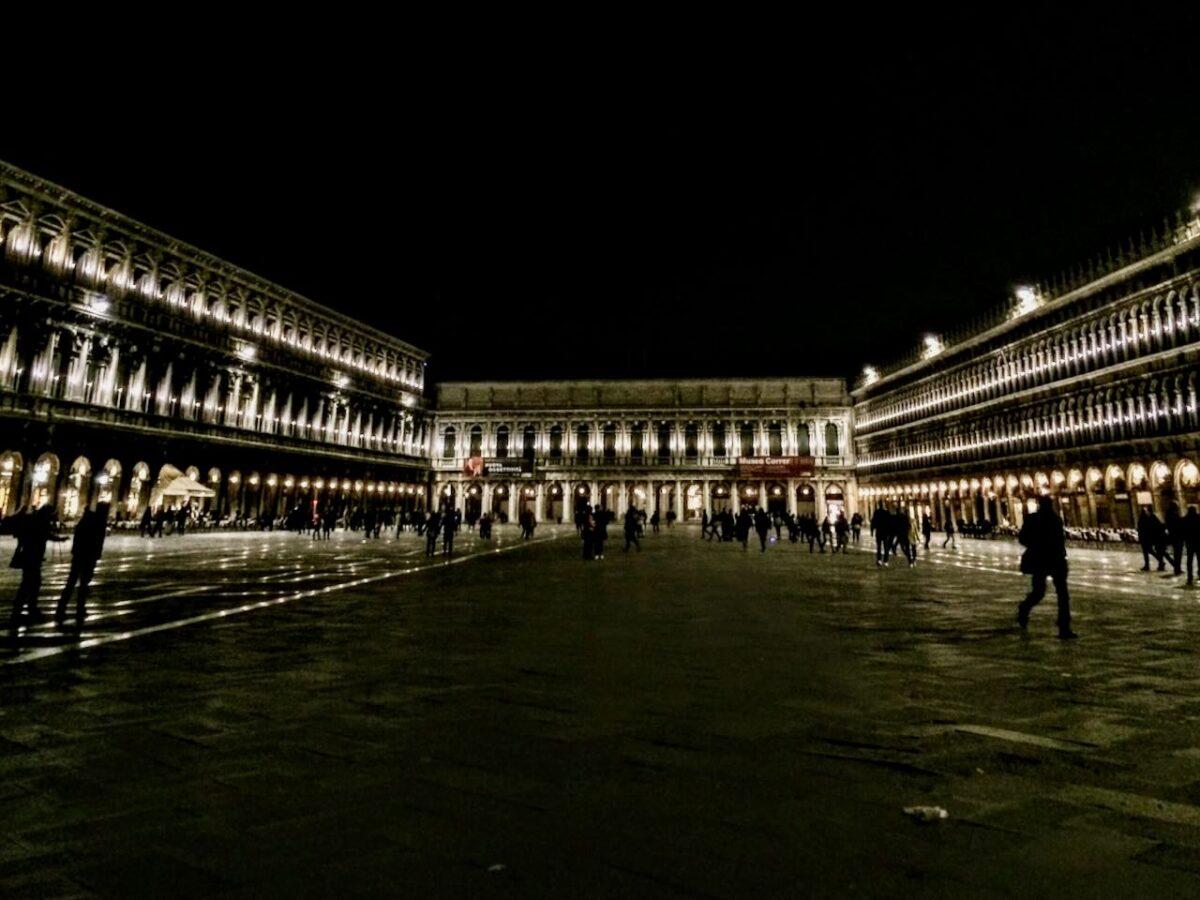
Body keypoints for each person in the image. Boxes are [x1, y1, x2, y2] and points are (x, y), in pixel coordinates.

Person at [1017, 495, 1077, 639]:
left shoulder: (1039, 519)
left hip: (1046, 560)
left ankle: (1063, 625)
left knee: (1043, 592)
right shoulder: (1054, 519)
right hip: (1051, 559)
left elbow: (1022, 538)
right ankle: (1063, 627)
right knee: (1059, 594)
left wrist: (1033, 547)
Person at [8, 505, 65, 625]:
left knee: (30, 583)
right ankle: (23, 610)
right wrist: (59, 539)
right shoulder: (40, 522)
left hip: (30, 556)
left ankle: (25, 609)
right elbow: (45, 535)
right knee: (30, 584)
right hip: (32, 557)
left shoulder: (33, 519)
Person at [56, 502, 110, 624]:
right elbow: (97, 541)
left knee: (73, 582)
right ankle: (78, 608)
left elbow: (78, 537)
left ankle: (63, 607)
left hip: (80, 555)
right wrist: (96, 554)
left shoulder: (87, 520)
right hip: (88, 556)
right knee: (82, 583)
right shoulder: (98, 522)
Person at [1137, 507, 1165, 572]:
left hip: (1146, 538)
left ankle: (1150, 564)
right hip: (1148, 538)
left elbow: (1141, 529)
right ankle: (1157, 562)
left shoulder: (1145, 518)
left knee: (1147, 551)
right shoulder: (1148, 518)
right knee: (1148, 551)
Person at [1166, 502, 1184, 575]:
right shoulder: (1175, 515)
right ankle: (1177, 569)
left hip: (1172, 536)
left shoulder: (1168, 515)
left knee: (1176, 553)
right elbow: (1180, 525)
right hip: (1178, 537)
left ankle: (1177, 568)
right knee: (1178, 554)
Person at [1184, 505, 1200, 586]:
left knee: (1189, 561)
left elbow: (1182, 531)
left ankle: (1189, 577)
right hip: (1198, 541)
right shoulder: (1198, 517)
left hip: (1189, 542)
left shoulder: (1185, 519)